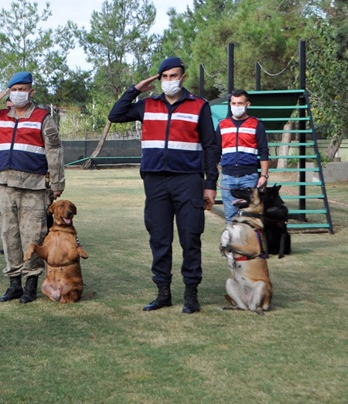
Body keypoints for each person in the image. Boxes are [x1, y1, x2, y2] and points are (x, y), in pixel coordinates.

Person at [108, 57, 219, 314]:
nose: (170, 81)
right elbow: (115, 115)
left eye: (174, 75)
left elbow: (211, 146)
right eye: (165, 76)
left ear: (183, 77)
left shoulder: (198, 106)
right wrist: (135, 89)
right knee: (159, 239)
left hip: (188, 180)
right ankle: (163, 293)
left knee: (190, 237)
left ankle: (191, 294)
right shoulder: (147, 105)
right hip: (155, 181)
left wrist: (210, 184)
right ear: (159, 79)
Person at [0, 71, 65, 304]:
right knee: (9, 235)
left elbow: (54, 151)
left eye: (23, 89)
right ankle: (14, 285)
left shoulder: (42, 118)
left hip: (33, 186)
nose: (19, 93)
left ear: (31, 91)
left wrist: (58, 183)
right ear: (8, 92)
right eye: (14, 89)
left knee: (32, 235)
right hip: (4, 185)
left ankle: (30, 285)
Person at [217, 89, 270, 222]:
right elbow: (215, 151)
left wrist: (264, 175)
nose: (236, 106)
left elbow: (264, 151)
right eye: (233, 103)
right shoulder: (222, 125)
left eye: (240, 103)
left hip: (249, 178)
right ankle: (233, 243)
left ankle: (251, 243)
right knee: (230, 218)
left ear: (247, 104)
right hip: (228, 177)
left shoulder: (257, 125)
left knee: (250, 217)